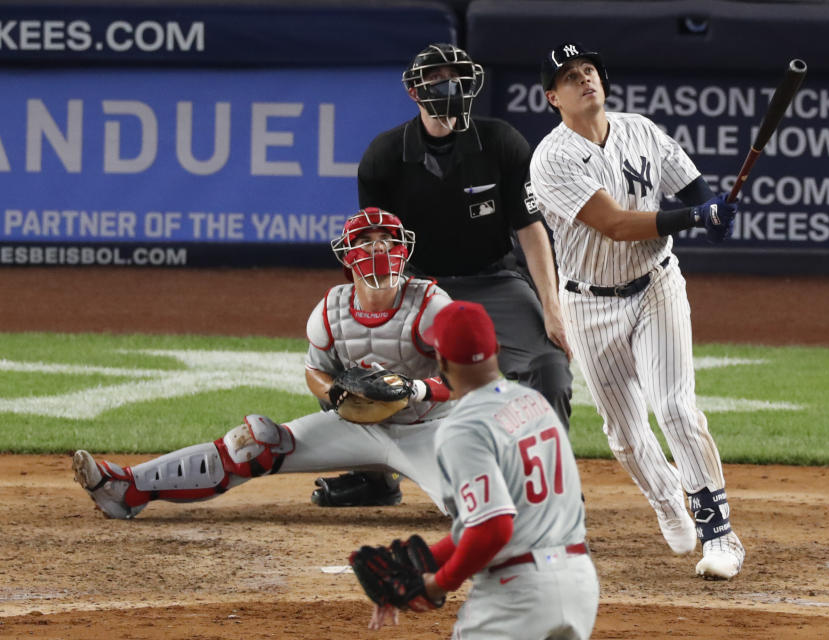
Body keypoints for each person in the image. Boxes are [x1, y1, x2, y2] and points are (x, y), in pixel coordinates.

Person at [314, 42, 574, 508]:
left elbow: (530, 229)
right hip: (416, 284)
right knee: (357, 372)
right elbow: (375, 244)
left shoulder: (501, 142)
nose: (448, 86)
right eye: (437, 79)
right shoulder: (385, 155)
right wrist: (370, 309)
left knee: (549, 368)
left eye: (456, 76)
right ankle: (374, 475)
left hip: (495, 279)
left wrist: (552, 308)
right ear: (415, 92)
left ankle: (549, 488)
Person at [72, 208, 455, 518]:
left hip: (430, 429)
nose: (379, 248)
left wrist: (416, 389)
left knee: (476, 510)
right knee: (254, 446)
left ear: (402, 248)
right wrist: (334, 394)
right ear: (348, 254)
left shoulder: (431, 305)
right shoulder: (331, 311)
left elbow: (471, 377)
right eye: (367, 241)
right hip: (359, 428)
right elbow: (315, 370)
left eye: (387, 240)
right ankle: (124, 488)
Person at [529, 42, 745, 580]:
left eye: (590, 70)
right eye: (571, 76)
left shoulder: (641, 131)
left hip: (655, 286)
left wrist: (714, 211)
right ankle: (669, 499)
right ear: (553, 97)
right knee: (624, 434)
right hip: (587, 302)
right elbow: (617, 224)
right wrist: (697, 217)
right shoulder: (551, 158)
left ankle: (720, 533)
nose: (585, 80)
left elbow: (693, 187)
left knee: (674, 406)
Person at [364, 301, 598, 639]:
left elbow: (492, 528)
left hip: (516, 598)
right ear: (497, 350)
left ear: (441, 361)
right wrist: (426, 561)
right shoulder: (535, 403)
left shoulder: (462, 428)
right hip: (579, 584)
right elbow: (493, 519)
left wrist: (437, 585)